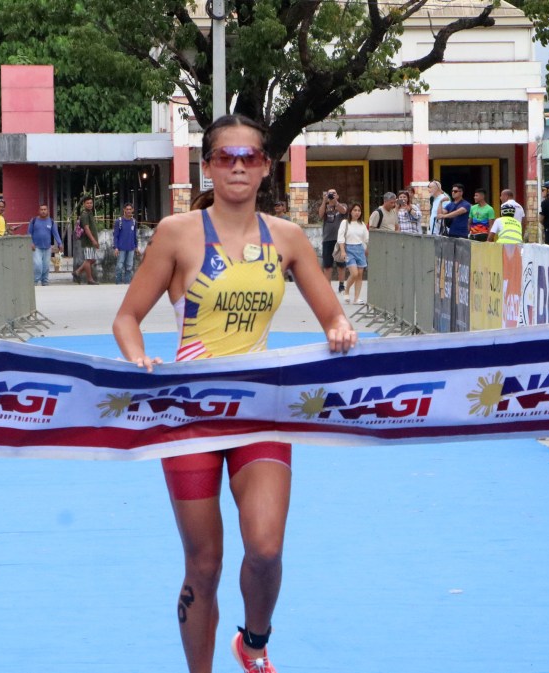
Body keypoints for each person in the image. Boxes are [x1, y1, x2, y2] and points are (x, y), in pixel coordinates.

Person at [112, 114, 357, 673]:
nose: (238, 166)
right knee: (204, 564)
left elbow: (333, 315)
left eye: (250, 157)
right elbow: (126, 318)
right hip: (190, 414)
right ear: (209, 166)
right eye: (226, 157)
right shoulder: (177, 233)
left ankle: (253, 643)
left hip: (260, 410)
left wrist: (340, 329)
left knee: (266, 549)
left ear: (267, 166)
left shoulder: (287, 238)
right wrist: (137, 358)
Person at [337, 202, 369, 304]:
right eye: (355, 210)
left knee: (360, 275)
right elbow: (340, 238)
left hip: (360, 250)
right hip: (349, 249)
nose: (357, 212)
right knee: (354, 273)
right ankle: (346, 290)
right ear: (350, 211)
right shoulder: (345, 223)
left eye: (359, 211)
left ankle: (356, 298)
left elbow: (367, 239)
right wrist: (343, 251)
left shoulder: (362, 224)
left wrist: (367, 249)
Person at [318, 187, 348, 291]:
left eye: (333, 193)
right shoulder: (324, 206)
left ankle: (341, 285)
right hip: (327, 239)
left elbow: (343, 211)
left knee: (341, 264)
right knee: (327, 265)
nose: (331, 195)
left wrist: (335, 202)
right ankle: (327, 287)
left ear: (337, 196)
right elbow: (320, 215)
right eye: (330, 194)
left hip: (340, 240)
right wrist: (324, 201)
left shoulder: (342, 205)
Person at [29, 204, 62, 286]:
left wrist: (60, 243)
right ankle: (35, 282)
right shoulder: (34, 221)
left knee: (46, 267)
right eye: (41, 209)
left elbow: (55, 233)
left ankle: (45, 282)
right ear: (38, 211)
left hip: (47, 248)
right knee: (38, 265)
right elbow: (29, 233)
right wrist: (31, 243)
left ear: (47, 211)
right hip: (36, 248)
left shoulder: (51, 221)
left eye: (45, 209)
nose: (43, 211)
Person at [73, 196, 100, 285]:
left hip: (91, 241)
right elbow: (86, 229)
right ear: (84, 204)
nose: (89, 205)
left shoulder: (90, 213)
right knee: (88, 260)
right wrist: (93, 240)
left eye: (91, 203)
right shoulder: (84, 215)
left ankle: (77, 272)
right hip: (88, 241)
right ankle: (90, 279)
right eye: (87, 203)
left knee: (92, 259)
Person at [113, 203, 139, 284]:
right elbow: (115, 235)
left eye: (130, 209)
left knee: (129, 267)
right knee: (119, 266)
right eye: (127, 209)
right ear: (124, 210)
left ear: (132, 210)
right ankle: (118, 283)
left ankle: (127, 284)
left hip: (131, 248)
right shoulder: (119, 221)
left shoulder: (134, 222)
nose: (128, 211)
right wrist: (116, 247)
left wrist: (136, 247)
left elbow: (135, 235)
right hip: (121, 248)